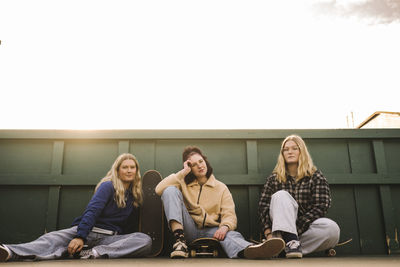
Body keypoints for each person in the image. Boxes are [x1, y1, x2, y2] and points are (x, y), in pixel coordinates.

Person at [0, 153, 152, 261]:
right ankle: (9, 251)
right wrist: (80, 236)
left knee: (144, 240)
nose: (129, 170)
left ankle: (93, 253)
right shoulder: (107, 186)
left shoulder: (134, 195)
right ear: (118, 170)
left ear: (136, 171)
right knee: (51, 239)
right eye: (125, 167)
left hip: (110, 239)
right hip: (89, 231)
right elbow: (92, 211)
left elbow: (128, 227)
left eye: (133, 167)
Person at [155, 146, 284, 259]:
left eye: (201, 161)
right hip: (188, 229)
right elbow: (159, 189)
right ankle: (179, 242)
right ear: (189, 167)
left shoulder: (221, 187)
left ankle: (250, 250)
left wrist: (225, 227)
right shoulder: (182, 183)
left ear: (205, 161)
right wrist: (183, 173)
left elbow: (229, 214)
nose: (200, 165)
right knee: (170, 190)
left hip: (212, 231)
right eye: (194, 164)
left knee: (232, 235)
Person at [258, 134, 340, 259]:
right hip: (278, 230)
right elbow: (263, 207)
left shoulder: (316, 176)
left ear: (302, 151)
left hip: (305, 228)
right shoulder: (274, 178)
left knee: (332, 229)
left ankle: (284, 247)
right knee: (281, 195)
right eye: (286, 149)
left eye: (294, 148)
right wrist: (269, 234)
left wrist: (294, 229)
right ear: (282, 154)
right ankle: (287, 243)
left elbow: (321, 206)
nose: (290, 152)